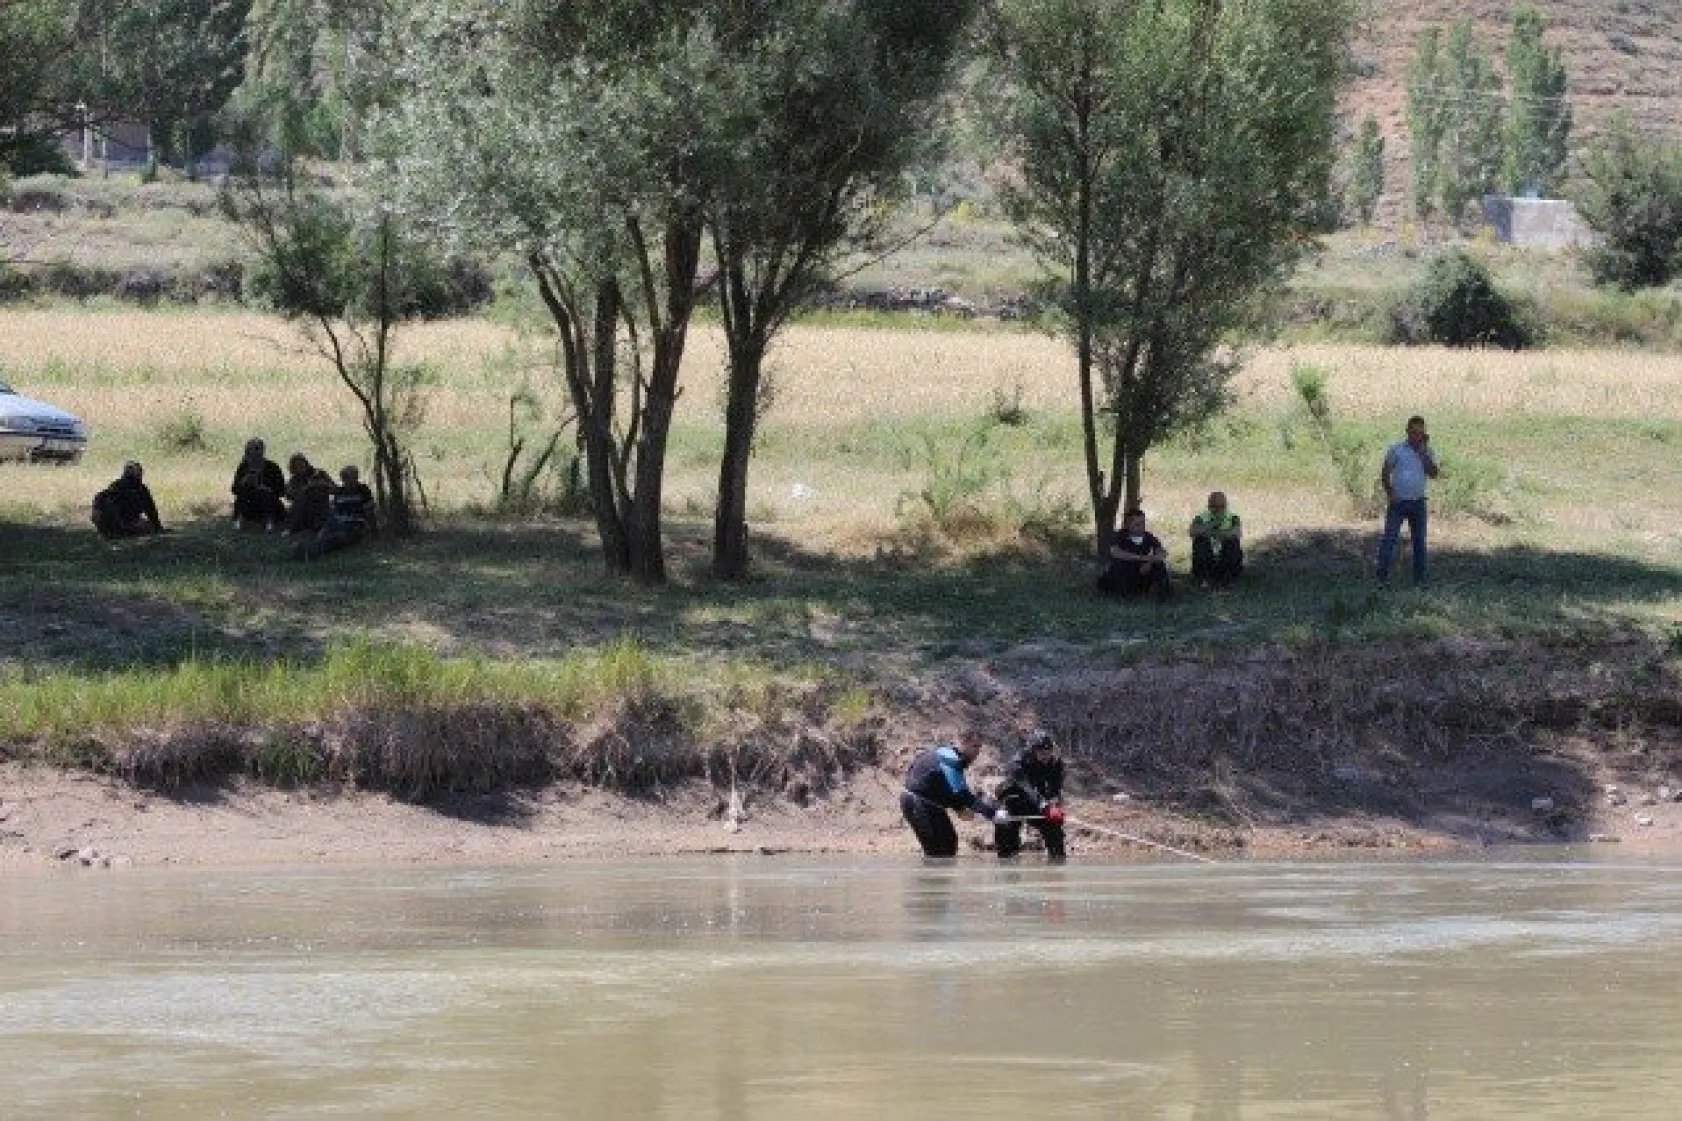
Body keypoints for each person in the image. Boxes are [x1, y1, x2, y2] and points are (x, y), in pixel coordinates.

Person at [900, 728, 1009, 858]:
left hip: (928, 803)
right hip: (917, 803)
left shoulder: (948, 755)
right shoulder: (951, 759)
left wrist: (958, 808)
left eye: (979, 747)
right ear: (962, 743)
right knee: (940, 850)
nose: (977, 752)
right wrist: (993, 814)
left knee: (949, 843)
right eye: (974, 746)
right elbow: (963, 795)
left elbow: (944, 785)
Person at [1376, 415, 1441, 587]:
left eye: (1421, 433)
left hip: (1418, 503)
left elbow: (1434, 474)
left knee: (1419, 542)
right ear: (1407, 432)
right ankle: (1381, 579)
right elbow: (1385, 473)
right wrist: (1390, 492)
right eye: (1414, 432)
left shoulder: (1428, 451)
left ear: (1425, 434)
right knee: (1389, 540)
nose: (1417, 436)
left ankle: (1419, 581)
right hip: (1398, 503)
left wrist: (1424, 454)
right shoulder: (1396, 449)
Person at [993, 727, 1067, 861]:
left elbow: (1055, 789)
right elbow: (1027, 788)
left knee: (1054, 828)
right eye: (1041, 752)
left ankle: (1057, 866)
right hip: (1011, 800)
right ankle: (1007, 866)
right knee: (1005, 831)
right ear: (1032, 751)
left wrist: (1055, 806)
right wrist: (1045, 806)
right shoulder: (1017, 763)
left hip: (1035, 802)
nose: (1046, 755)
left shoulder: (1055, 763)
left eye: (1048, 751)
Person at [298, 465, 377, 559]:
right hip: (337, 523)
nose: (349, 481)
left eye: (352, 477)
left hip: (353, 525)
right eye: (345, 478)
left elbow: (369, 511)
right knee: (324, 533)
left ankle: (311, 552)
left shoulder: (363, 490)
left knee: (338, 538)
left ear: (356, 477)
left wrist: (373, 530)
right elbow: (334, 512)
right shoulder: (339, 492)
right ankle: (307, 548)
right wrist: (326, 527)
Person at [1096, 508, 1172, 601]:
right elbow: (1116, 553)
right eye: (1137, 524)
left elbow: (1162, 553)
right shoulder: (1119, 535)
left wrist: (1150, 562)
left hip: (1141, 573)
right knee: (1119, 564)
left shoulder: (1149, 536)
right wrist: (1142, 558)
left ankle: (1164, 597)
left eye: (1143, 524)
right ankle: (1122, 597)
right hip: (1122, 575)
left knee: (1160, 565)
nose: (1141, 527)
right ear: (1128, 524)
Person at [90, 461, 163, 538]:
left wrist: (158, 527)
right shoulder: (119, 486)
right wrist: (97, 510)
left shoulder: (142, 490)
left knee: (148, 526)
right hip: (120, 523)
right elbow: (101, 497)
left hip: (129, 522)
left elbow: (151, 512)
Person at [1189, 491, 1243, 587]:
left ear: (1226, 505)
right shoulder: (1201, 517)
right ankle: (1204, 578)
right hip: (1207, 557)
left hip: (1225, 557)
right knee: (1200, 541)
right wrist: (1214, 523)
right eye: (1215, 506)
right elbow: (1193, 532)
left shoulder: (1233, 517)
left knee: (1233, 542)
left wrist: (1210, 533)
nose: (1218, 510)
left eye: (1221, 506)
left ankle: (1228, 579)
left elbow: (1237, 533)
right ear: (1209, 506)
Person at [231, 438, 286, 530]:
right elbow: (234, 490)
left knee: (264, 494)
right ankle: (239, 520)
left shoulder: (273, 467)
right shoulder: (244, 467)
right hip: (249, 502)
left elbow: (281, 491)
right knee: (243, 494)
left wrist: (266, 488)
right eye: (250, 450)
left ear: (263, 451)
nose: (255, 453)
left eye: (257, 449)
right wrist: (244, 481)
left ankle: (269, 521)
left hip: (268, 502)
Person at [282, 453, 334, 537]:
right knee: (302, 501)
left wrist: (323, 484)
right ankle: (292, 528)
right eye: (297, 466)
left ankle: (319, 528)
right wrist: (306, 489)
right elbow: (289, 495)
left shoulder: (319, 473)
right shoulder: (294, 480)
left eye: (302, 463)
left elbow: (334, 489)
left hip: (321, 505)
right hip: (304, 509)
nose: (300, 467)